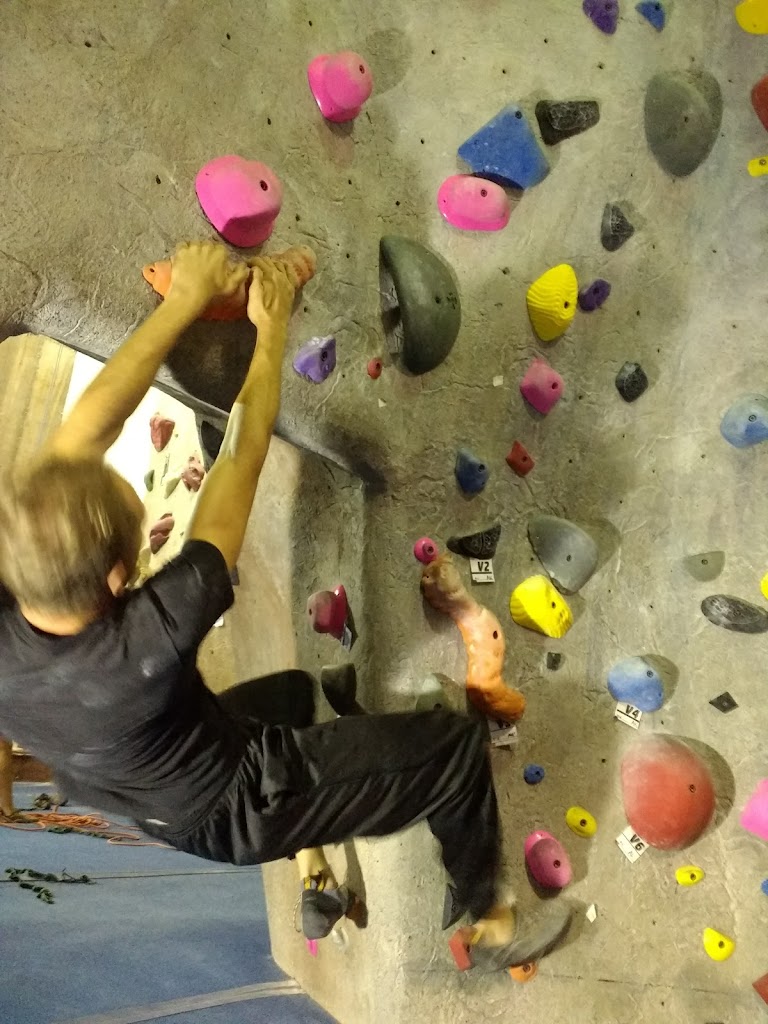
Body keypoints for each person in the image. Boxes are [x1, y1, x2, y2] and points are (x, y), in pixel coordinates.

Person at [0, 241, 553, 963]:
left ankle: (314, 869)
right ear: (116, 579)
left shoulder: (25, 586)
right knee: (451, 750)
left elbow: (88, 430)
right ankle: (488, 915)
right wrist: (273, 325)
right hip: (241, 799)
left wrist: (182, 303)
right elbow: (241, 453)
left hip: (153, 787)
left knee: (297, 694)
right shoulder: (156, 633)